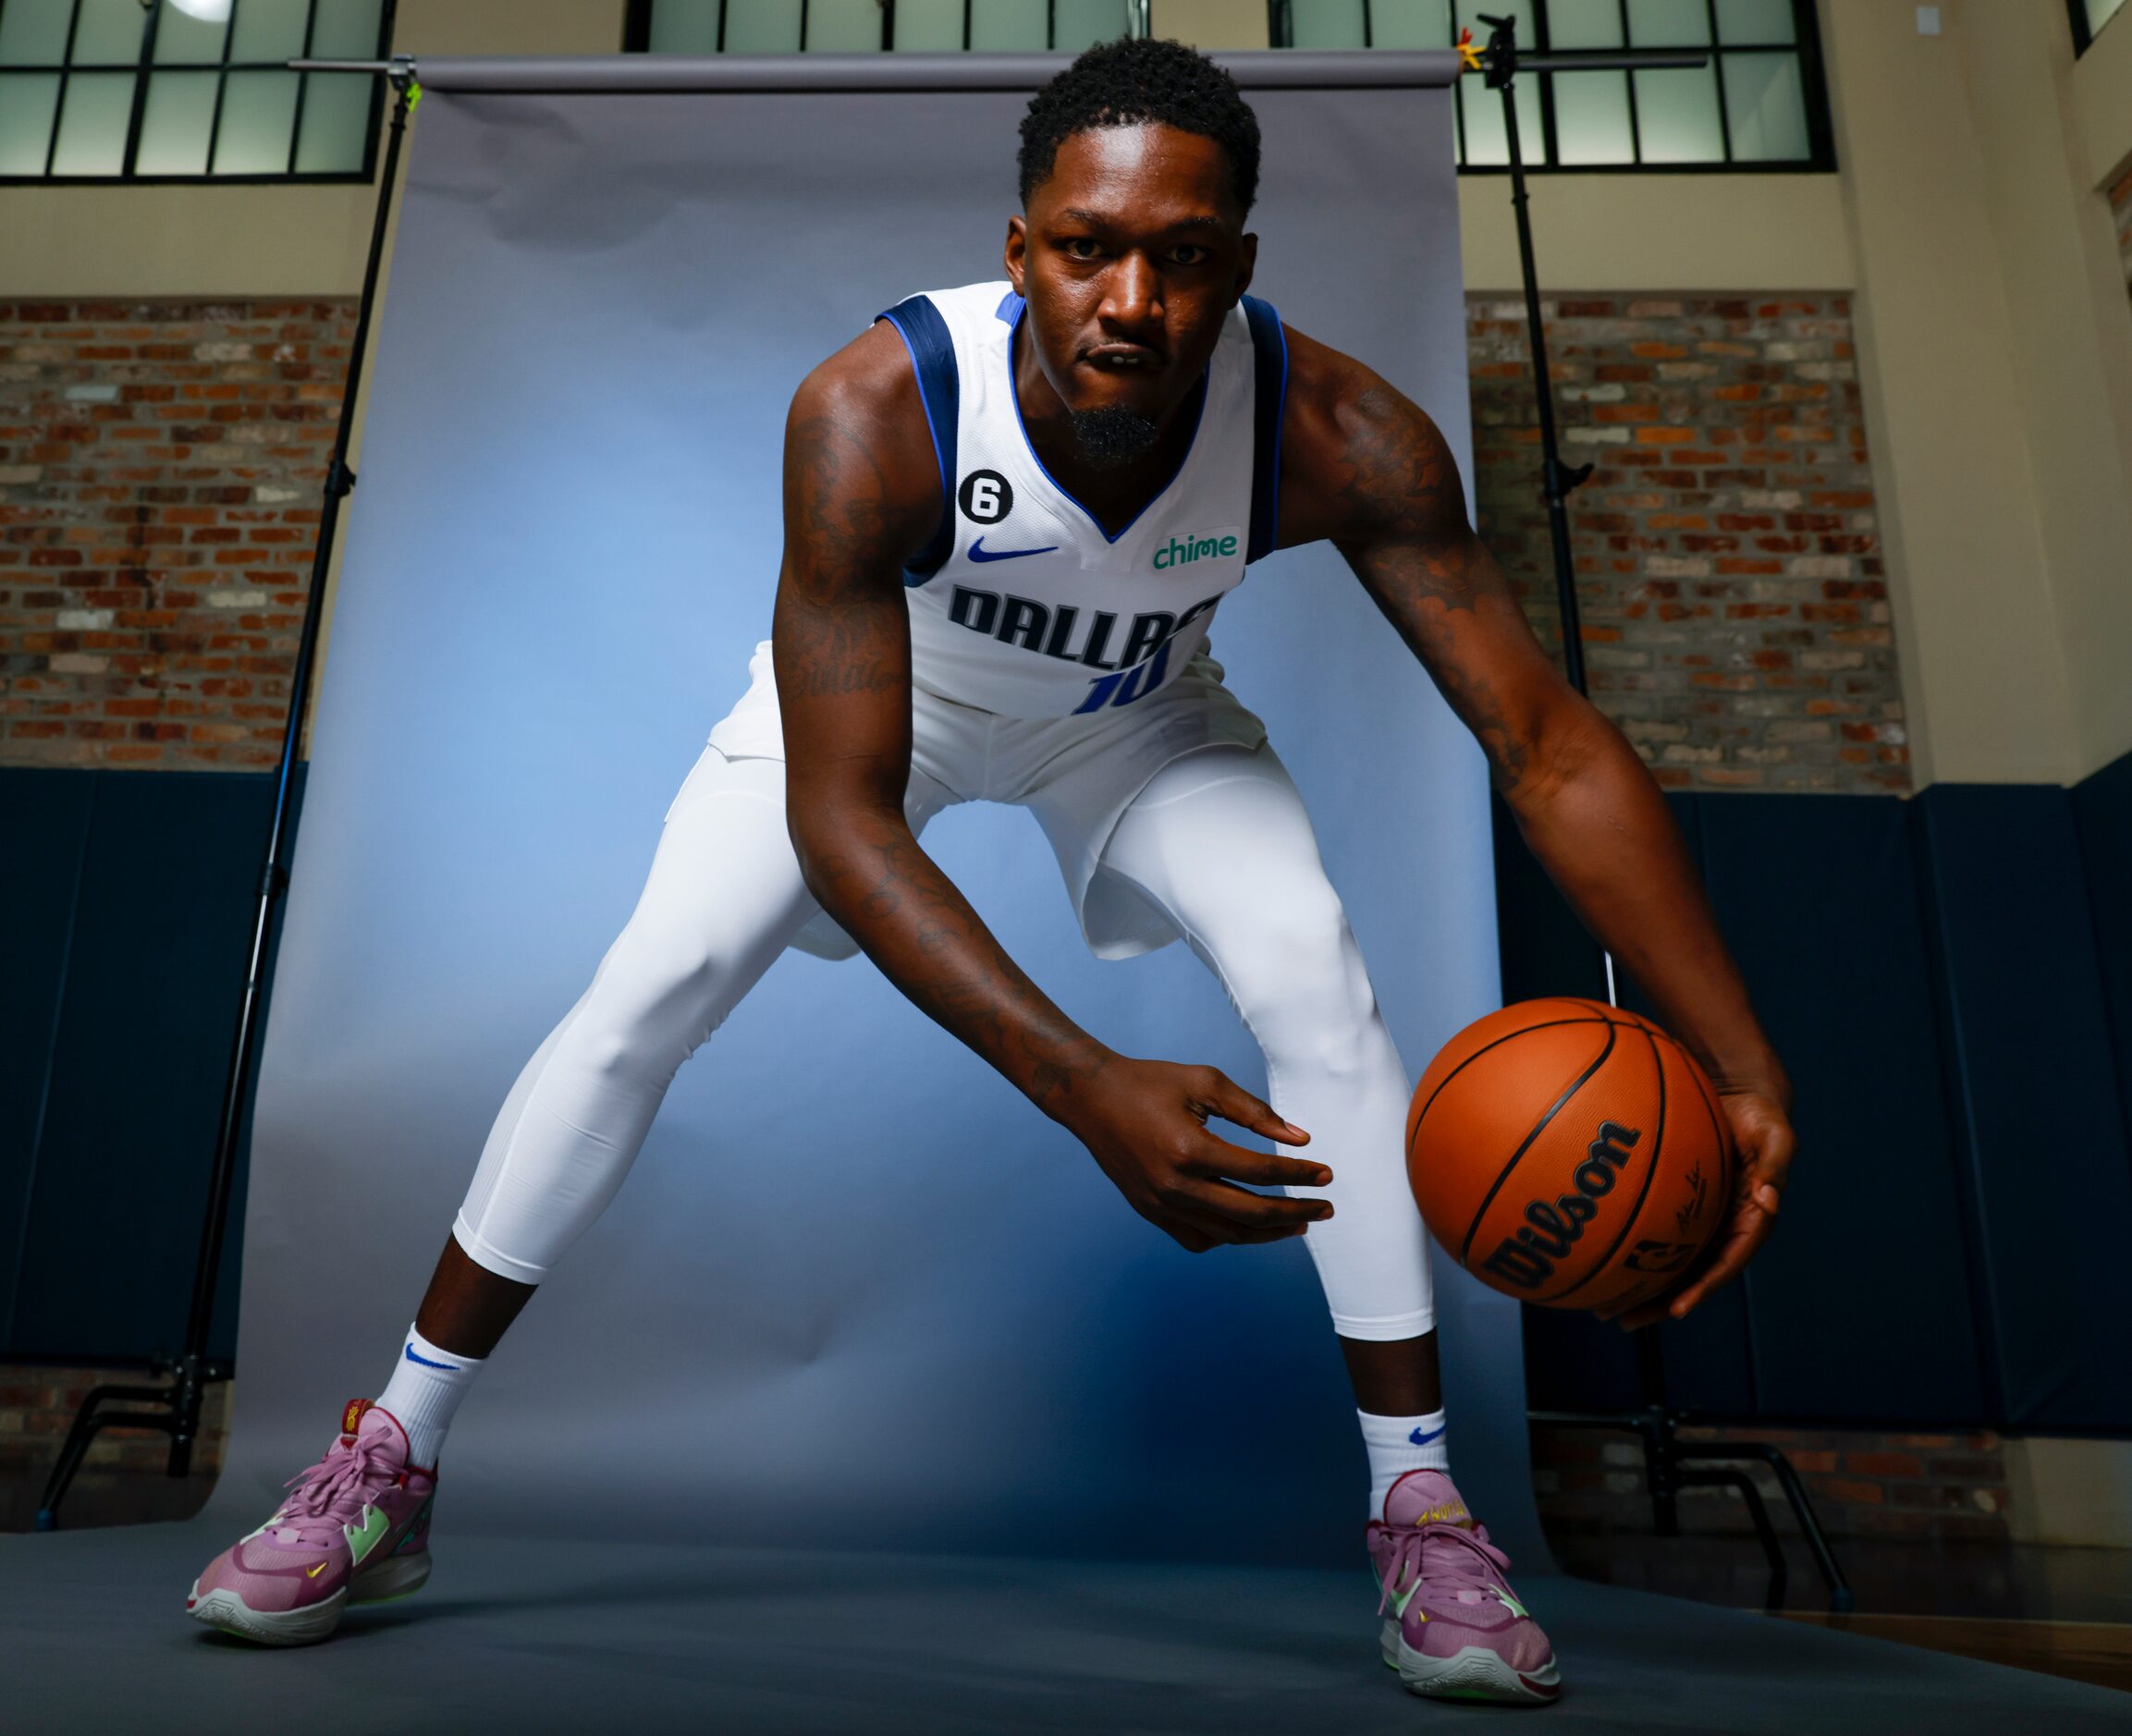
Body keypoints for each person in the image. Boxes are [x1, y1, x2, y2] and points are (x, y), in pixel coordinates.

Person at [185, 38, 1796, 1705]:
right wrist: (1083, 1081)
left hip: (1139, 715)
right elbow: (850, 821)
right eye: (1085, 246)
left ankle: (1422, 1508)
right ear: (1019, 248)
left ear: (1237, 265)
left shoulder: (1334, 433)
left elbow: (1546, 747)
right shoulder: (872, 411)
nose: (1129, 297)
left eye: (1180, 256)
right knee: (644, 993)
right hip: (889, 718)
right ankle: (391, 1455)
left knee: (1316, 963)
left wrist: (1739, 1066)